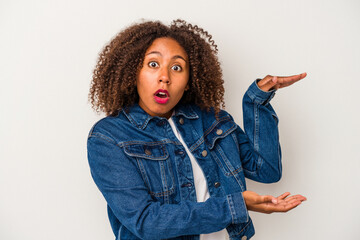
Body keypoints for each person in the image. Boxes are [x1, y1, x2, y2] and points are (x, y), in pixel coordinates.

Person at [87, 19, 307, 240]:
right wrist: (234, 206)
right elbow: (146, 221)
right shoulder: (108, 137)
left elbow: (267, 170)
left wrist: (256, 102)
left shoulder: (212, 119)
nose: (165, 76)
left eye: (176, 67)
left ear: (189, 81)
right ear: (133, 72)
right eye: (153, 64)